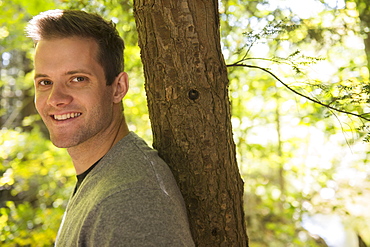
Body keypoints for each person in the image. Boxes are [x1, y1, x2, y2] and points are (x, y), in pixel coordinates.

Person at [26, 9, 194, 246]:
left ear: (118, 88)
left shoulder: (131, 201)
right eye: (45, 82)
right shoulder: (103, 178)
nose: (56, 98)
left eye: (77, 79)